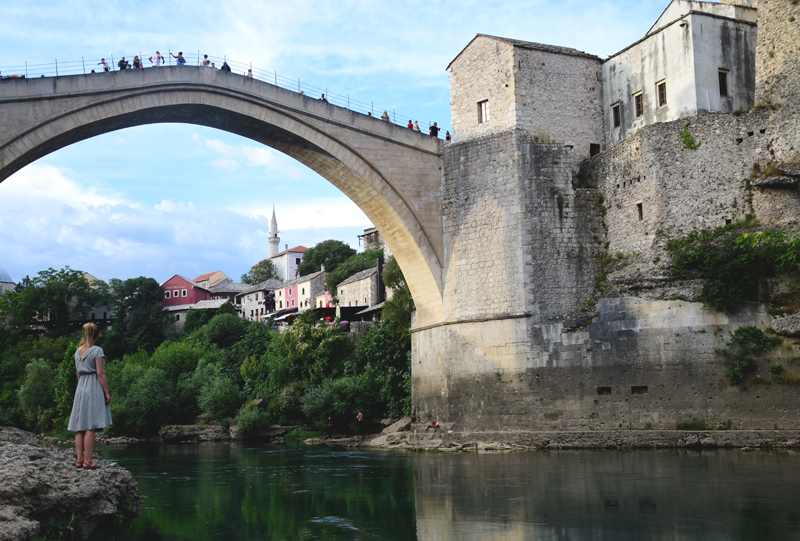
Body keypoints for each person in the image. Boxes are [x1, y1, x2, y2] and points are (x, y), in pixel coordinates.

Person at [67, 323, 112, 470]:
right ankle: (88, 460)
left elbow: (78, 373)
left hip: (81, 387)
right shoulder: (97, 351)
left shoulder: (77, 351)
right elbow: (100, 373)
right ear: (97, 334)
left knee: (80, 427)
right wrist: (106, 392)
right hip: (93, 386)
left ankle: (79, 460)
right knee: (91, 426)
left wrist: (82, 387)